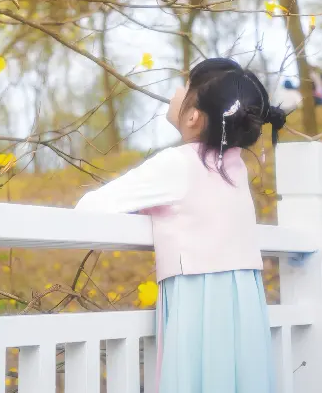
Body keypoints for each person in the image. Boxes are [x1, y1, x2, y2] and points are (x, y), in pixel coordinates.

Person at [76, 58, 289, 393]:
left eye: (185, 86)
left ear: (193, 116)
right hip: (243, 301)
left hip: (198, 301)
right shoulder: (235, 167)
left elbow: (88, 209)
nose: (176, 92)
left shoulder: (175, 165)